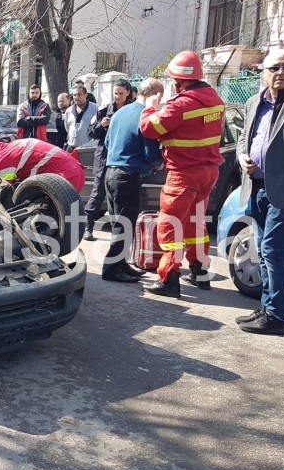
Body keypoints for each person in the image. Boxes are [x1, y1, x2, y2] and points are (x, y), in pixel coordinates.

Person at [139, 50, 225, 298]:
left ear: (179, 80)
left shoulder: (181, 104)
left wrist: (149, 108)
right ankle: (200, 271)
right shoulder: (215, 100)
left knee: (171, 223)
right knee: (196, 221)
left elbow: (150, 128)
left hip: (183, 173)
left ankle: (169, 279)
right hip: (209, 172)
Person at [234, 50, 284, 336]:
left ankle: (278, 316)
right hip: (257, 188)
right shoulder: (255, 102)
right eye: (274, 67)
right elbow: (242, 138)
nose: (281, 72)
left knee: (274, 252)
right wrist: (241, 157)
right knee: (263, 251)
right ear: (265, 71)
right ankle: (267, 307)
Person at [101, 78, 164, 283]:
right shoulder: (145, 116)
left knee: (119, 222)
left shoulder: (120, 113)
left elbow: (108, 142)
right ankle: (111, 268)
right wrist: (157, 164)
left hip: (111, 172)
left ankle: (120, 263)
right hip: (127, 175)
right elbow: (151, 152)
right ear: (156, 95)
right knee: (124, 224)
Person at [83, 78, 132, 241]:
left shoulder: (132, 111)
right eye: (116, 93)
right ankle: (88, 228)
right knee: (97, 195)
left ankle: (117, 232)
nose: (118, 97)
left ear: (128, 93)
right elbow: (90, 133)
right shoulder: (104, 110)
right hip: (104, 158)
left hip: (124, 159)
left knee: (119, 198)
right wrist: (101, 125)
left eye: (121, 93)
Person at [0, 137, 85, 193]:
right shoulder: (11, 147)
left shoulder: (1, 161)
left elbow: (2, 191)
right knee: (68, 221)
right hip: (75, 171)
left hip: (63, 174)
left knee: (49, 217)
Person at [64, 85, 98, 152]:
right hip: (71, 148)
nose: (76, 97)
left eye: (79, 94)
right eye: (74, 95)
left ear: (85, 95)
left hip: (88, 149)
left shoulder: (95, 109)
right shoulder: (69, 111)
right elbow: (67, 128)